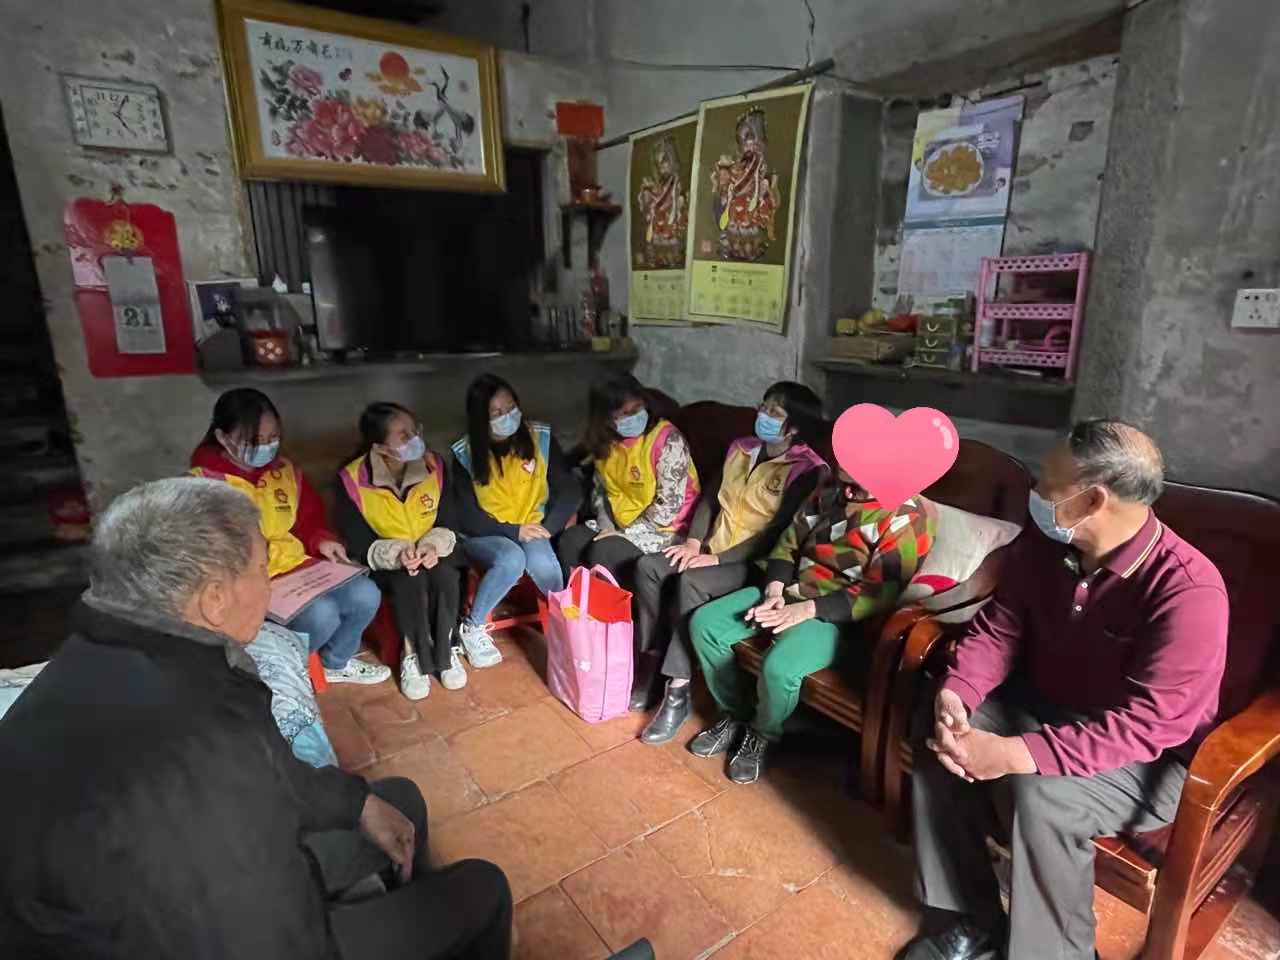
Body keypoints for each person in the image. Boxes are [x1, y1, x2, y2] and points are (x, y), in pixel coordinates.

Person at [0, 477, 512, 959]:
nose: (270, 586)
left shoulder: (105, 649)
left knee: (397, 802)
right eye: (263, 569)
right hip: (217, 935)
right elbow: (268, 937)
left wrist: (355, 802)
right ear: (214, 598)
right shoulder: (197, 750)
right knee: (481, 890)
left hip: (203, 888)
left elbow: (270, 775)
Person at [900, 420, 1229, 960]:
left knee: (1047, 795)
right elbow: (1001, 628)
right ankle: (968, 919)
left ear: (1093, 499)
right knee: (941, 732)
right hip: (1044, 707)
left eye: (1047, 483)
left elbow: (1149, 724)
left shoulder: (1188, 590)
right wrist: (960, 692)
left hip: (1144, 759)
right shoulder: (1045, 545)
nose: (1035, 492)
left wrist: (1015, 753)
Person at [688, 469, 935, 784]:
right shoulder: (831, 489)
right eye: (846, 482)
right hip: (789, 592)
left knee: (779, 668)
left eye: (856, 486)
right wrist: (775, 590)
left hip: (837, 616)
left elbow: (878, 593)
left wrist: (805, 611)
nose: (846, 492)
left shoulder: (911, 517)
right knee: (705, 625)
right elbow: (787, 545)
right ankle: (735, 713)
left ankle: (762, 734)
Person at [635, 381, 829, 742]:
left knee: (690, 581)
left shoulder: (807, 470)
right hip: (710, 549)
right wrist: (694, 543)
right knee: (650, 568)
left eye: (775, 413)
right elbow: (710, 499)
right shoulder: (741, 448)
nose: (763, 416)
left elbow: (778, 534)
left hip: (753, 564)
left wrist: (716, 559)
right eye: (763, 407)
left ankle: (677, 689)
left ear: (795, 426)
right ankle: (652, 662)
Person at [191, 388, 386, 686]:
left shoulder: (285, 471)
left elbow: (308, 519)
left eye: (273, 437)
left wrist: (322, 541)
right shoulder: (203, 483)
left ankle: (335, 663)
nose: (267, 447)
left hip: (298, 567)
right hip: (252, 581)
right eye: (255, 440)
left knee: (366, 594)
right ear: (223, 437)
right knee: (322, 615)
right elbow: (205, 551)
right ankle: (285, 670)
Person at [336, 402, 469, 701]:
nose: (414, 439)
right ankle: (412, 654)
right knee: (409, 580)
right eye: (403, 435)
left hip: (431, 547)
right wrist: (397, 554)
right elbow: (357, 539)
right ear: (380, 447)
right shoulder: (351, 479)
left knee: (446, 575)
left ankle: (445, 651)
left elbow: (449, 517)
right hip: (387, 559)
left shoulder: (434, 465)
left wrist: (433, 546)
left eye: (414, 430)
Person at [449, 374, 578, 669]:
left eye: (510, 407)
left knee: (546, 567)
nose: (507, 416)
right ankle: (472, 626)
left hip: (532, 526)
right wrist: (512, 531)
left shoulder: (540, 437)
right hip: (485, 533)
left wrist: (549, 528)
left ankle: (568, 628)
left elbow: (568, 488)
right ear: (480, 419)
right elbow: (465, 515)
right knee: (511, 559)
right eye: (496, 412)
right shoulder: (464, 453)